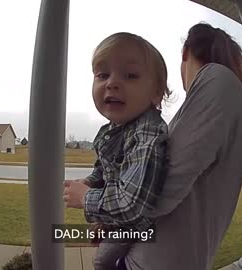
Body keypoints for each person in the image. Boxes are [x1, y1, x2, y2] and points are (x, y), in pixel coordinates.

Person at [117, 23, 242, 269]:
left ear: (185, 52)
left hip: (151, 264)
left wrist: (89, 197)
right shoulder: (227, 93)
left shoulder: (216, 80)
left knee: (65, 235)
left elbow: (156, 194)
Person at [63, 32, 171, 270]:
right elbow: (105, 170)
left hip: (137, 228)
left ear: (157, 93)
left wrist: (85, 198)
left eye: (130, 75)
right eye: (102, 74)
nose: (111, 83)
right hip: (117, 221)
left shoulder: (147, 134)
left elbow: (132, 205)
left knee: (101, 261)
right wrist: (90, 182)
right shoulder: (113, 130)